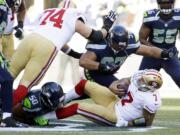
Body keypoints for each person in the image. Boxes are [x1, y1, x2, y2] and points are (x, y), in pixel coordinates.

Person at [9, 7, 117, 107]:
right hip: (46, 46)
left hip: (30, 39)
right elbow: (96, 36)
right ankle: (5, 113)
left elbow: (57, 37)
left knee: (8, 75)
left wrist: (76, 55)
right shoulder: (75, 17)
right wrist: (107, 26)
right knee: (26, 84)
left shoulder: (50, 12)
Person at [13, 69, 163, 127]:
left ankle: (44, 116)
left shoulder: (152, 100)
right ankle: (60, 101)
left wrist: (128, 124)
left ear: (151, 86)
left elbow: (148, 122)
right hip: (114, 103)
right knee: (85, 84)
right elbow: (128, 78)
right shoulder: (139, 80)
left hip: (116, 117)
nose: (139, 80)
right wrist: (122, 82)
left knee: (78, 107)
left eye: (143, 80)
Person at [79, 24, 175, 96]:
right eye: (119, 45)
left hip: (108, 73)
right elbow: (83, 61)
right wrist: (102, 66)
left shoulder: (129, 44)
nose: (122, 47)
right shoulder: (100, 44)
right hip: (94, 72)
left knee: (118, 90)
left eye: (124, 44)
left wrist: (164, 53)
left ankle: (70, 96)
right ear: (110, 40)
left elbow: (150, 51)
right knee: (117, 89)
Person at [138, 0, 180, 87]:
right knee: (141, 83)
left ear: (173, 3)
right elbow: (142, 39)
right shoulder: (151, 17)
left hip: (170, 54)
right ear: (158, 3)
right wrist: (156, 51)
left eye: (168, 2)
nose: (166, 5)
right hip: (152, 55)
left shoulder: (178, 16)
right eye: (163, 2)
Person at [0, 1, 27, 127]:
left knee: (7, 76)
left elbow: (22, 8)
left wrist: (20, 25)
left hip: (8, 35)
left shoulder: (12, 5)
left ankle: (5, 112)